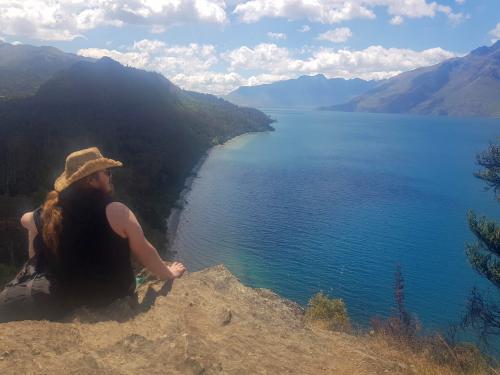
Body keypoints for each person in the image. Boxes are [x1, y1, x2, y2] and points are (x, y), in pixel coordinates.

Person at [0, 147, 185, 321]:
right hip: (111, 294)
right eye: (107, 173)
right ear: (91, 180)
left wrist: (38, 224)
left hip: (67, 294)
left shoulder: (53, 211)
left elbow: (25, 220)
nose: (110, 177)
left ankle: (37, 272)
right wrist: (169, 273)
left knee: (35, 228)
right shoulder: (116, 211)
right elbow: (145, 251)